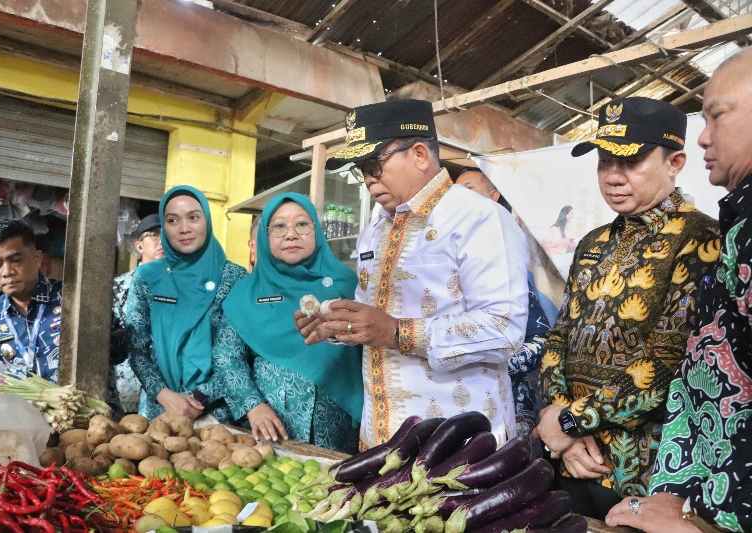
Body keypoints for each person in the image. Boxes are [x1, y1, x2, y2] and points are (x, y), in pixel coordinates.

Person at [297, 99, 530, 448]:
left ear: (420, 154)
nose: (368, 179)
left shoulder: (479, 218)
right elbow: (372, 318)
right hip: (381, 437)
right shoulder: (375, 229)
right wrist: (338, 323)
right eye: (361, 169)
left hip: (456, 444)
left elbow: (504, 329)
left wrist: (397, 332)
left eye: (374, 165)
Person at [535, 96, 720, 519]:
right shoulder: (593, 242)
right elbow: (559, 336)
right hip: (571, 459)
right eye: (605, 161)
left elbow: (669, 364)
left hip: (643, 476)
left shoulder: (701, 239)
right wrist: (559, 425)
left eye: (631, 161)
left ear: (675, 162)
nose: (613, 176)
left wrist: (568, 422)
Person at [606, 48, 752, 533]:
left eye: (717, 115)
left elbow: (666, 359)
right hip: (693, 492)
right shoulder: (739, 223)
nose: (705, 135)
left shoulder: (701, 236)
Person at [221, 193, 363, 452]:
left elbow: (371, 346)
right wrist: (253, 405)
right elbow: (227, 357)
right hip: (271, 431)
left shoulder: (347, 284)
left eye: (302, 224)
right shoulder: (244, 294)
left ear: (316, 231)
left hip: (339, 429)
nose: (291, 234)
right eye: (279, 226)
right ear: (264, 237)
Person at [125, 185, 247, 421]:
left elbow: (238, 353)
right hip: (158, 411)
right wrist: (164, 394)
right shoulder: (147, 277)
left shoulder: (234, 278)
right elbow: (137, 347)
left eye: (193, 218)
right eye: (172, 220)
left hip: (217, 414)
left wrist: (199, 397)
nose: (184, 229)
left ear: (207, 221)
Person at [456, 168, 551, 437]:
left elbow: (541, 334)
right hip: (467, 393)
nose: (459, 196)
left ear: (494, 195)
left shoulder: (514, 244)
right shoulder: (456, 245)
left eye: (468, 188)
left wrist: (494, 364)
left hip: (512, 390)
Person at [0, 219, 63, 381]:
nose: (7, 272)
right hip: (26, 398)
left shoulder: (70, 300)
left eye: (16, 260)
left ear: (37, 259)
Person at [109, 214, 164, 415]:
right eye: (154, 235)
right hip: (124, 390)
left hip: (162, 395)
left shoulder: (180, 290)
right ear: (139, 246)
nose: (162, 241)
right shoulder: (117, 287)